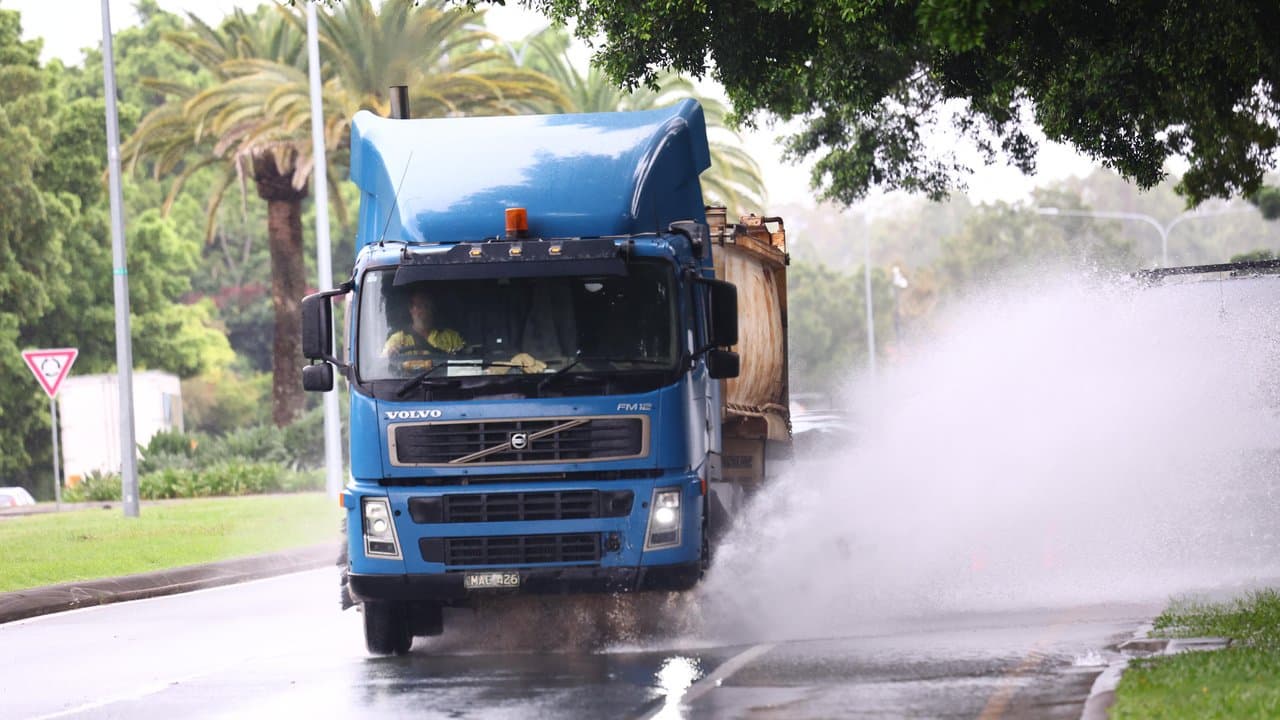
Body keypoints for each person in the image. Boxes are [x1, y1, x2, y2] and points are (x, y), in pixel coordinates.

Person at [382, 289, 466, 369]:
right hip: (407, 382)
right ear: (411, 309)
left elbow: (465, 363)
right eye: (419, 306)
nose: (424, 311)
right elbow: (383, 364)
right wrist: (390, 354)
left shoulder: (451, 337)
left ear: (433, 309)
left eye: (427, 306)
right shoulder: (398, 339)